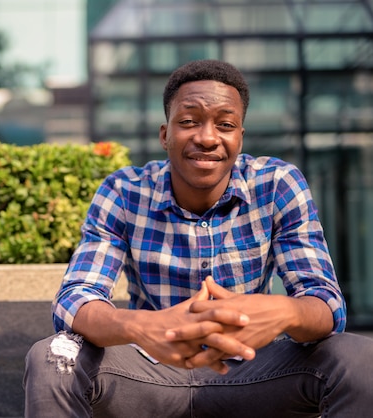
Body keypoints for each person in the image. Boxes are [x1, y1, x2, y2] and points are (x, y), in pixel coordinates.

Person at [23, 59, 373, 417]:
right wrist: (145, 326)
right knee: (54, 356)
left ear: (240, 137)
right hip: (147, 371)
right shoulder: (124, 191)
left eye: (225, 124)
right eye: (189, 121)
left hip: (255, 372)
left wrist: (285, 312)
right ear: (165, 134)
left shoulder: (277, 184)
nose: (207, 138)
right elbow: (76, 297)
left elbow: (327, 303)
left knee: (360, 358)